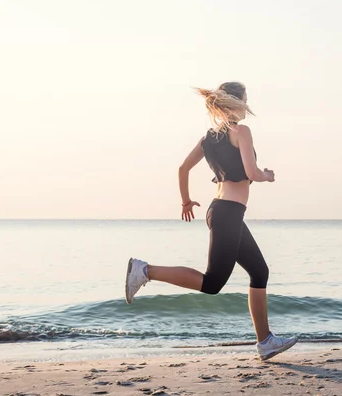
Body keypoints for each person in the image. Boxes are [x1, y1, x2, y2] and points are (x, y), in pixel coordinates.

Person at [124, 81, 298, 360]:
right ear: (238, 102)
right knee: (213, 282)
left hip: (223, 212)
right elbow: (251, 173)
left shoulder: (208, 139)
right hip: (227, 213)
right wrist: (267, 174)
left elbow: (183, 168)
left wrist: (185, 201)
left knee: (259, 272)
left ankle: (265, 341)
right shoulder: (241, 132)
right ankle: (145, 271)